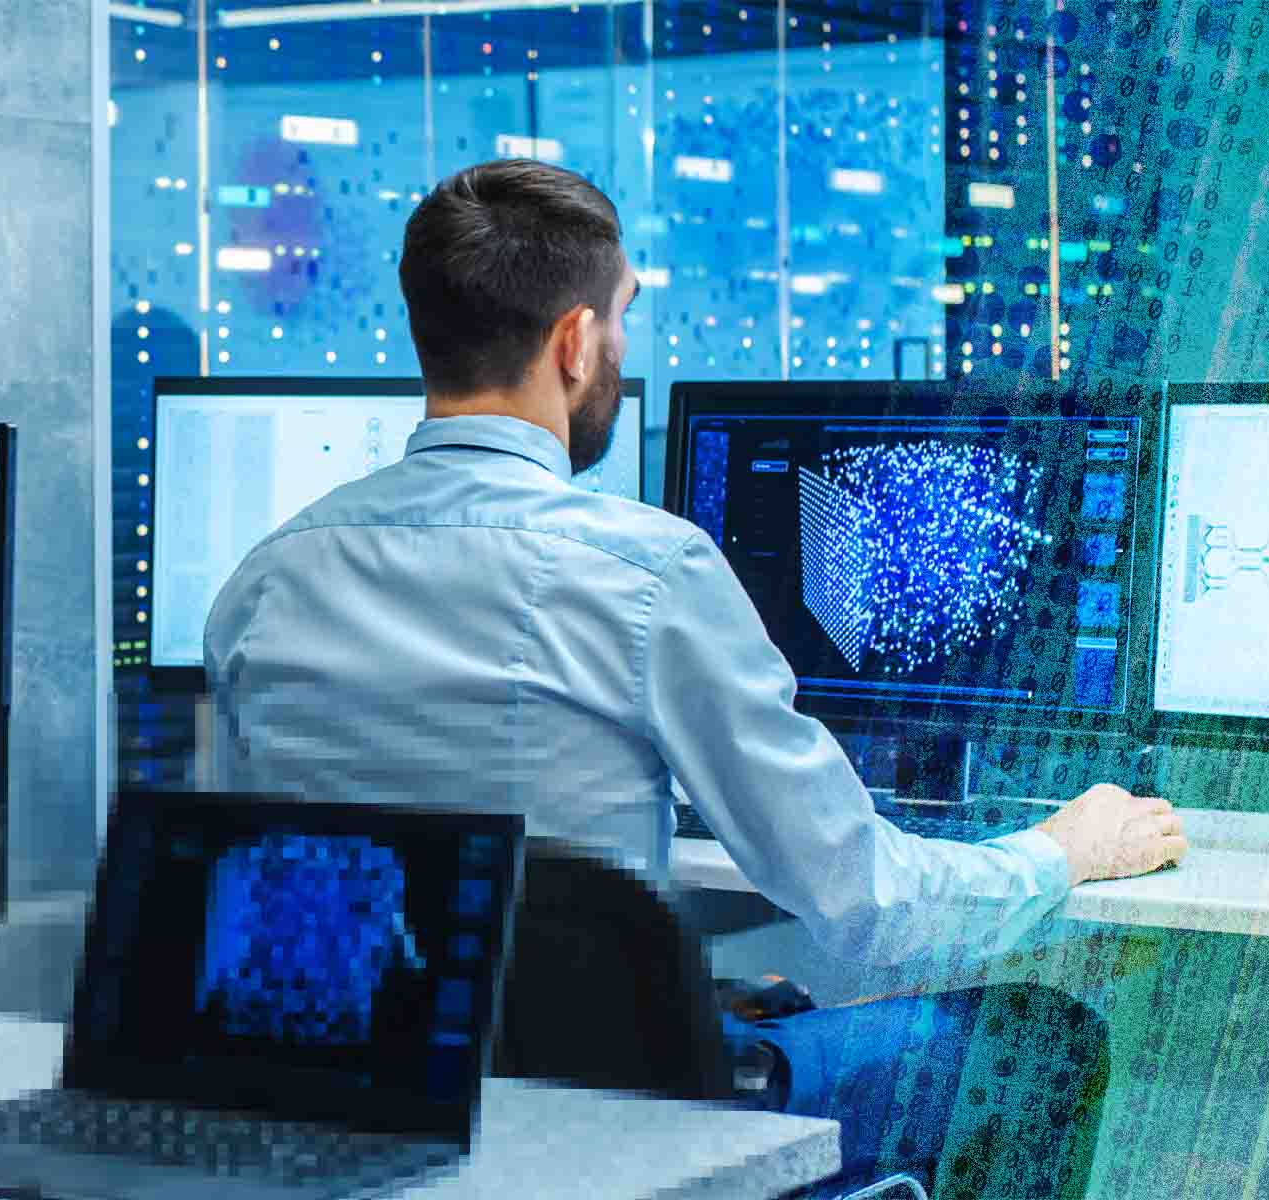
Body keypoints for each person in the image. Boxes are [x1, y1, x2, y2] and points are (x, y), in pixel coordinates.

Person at [203, 159, 1186, 1194]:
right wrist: (1057, 851)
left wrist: (671, 998)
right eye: (621, 321)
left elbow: (316, 916)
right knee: (1037, 1038)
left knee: (763, 999)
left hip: (371, 1129)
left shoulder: (265, 582)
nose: (620, 352)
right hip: (608, 1139)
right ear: (575, 342)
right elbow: (869, 905)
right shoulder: (642, 575)